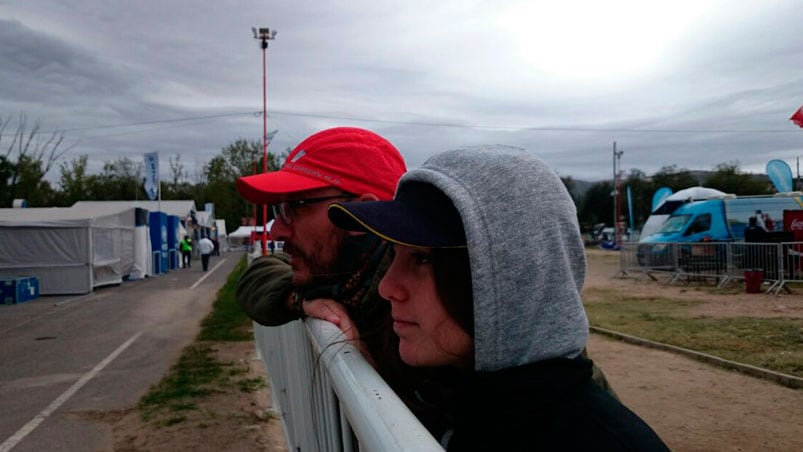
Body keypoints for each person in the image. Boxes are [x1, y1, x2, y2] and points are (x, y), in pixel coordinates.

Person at [234, 128, 616, 440]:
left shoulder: (451, 312)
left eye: (294, 206)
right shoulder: (340, 278)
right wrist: (299, 301)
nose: (278, 227)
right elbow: (260, 274)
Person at [327, 145, 668, 450]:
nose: (388, 287)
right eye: (394, 254)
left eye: (421, 257)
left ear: (512, 276)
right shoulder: (454, 400)